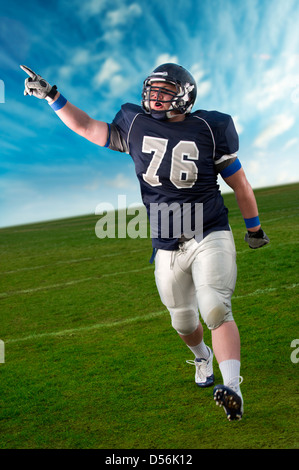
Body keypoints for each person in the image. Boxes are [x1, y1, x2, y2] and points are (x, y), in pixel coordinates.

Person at [21, 63, 269, 421]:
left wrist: (254, 228)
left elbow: (240, 184)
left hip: (208, 231)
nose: (156, 96)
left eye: (165, 91)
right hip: (165, 241)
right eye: (153, 89)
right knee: (183, 322)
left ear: (185, 95)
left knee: (216, 308)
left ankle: (232, 388)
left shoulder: (210, 128)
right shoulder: (134, 123)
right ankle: (202, 357)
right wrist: (53, 96)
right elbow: (88, 127)